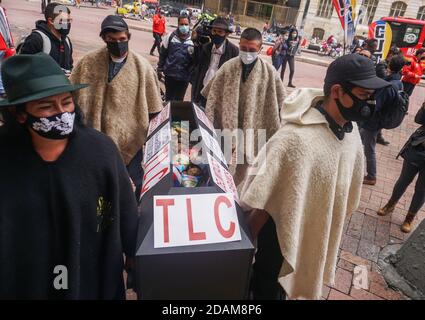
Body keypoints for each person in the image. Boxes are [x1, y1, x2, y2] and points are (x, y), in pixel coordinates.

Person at [239, 54, 390, 300]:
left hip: (314, 230)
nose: (370, 103)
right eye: (364, 95)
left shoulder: (351, 135)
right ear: (337, 92)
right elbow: (261, 197)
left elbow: (345, 196)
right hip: (279, 237)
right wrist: (242, 249)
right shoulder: (294, 138)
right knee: (268, 287)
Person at [0, 53, 138, 299]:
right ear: (20, 114)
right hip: (23, 282)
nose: (61, 113)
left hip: (90, 280)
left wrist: (137, 259)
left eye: (66, 102)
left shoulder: (100, 151)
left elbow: (127, 213)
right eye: (46, 106)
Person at [70, 15, 163, 165]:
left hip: (131, 144)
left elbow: (155, 110)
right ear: (104, 39)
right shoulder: (88, 63)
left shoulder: (143, 67)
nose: (117, 43)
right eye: (111, 40)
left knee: (129, 184)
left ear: (128, 37)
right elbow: (72, 98)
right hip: (92, 140)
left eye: (121, 39)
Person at [201, 28, 285, 188]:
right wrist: (209, 118)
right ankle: (215, 189)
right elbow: (211, 94)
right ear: (239, 45)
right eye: (243, 48)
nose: (247, 53)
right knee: (219, 160)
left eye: (252, 50)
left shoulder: (269, 72)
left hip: (255, 125)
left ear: (260, 49)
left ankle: (235, 193)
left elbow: (281, 101)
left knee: (246, 167)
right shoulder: (228, 67)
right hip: (227, 122)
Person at [378, 103, 425, 233]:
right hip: (417, 149)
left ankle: (409, 218)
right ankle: (390, 204)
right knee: (403, 180)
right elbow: (419, 120)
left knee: (421, 189)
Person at [360, 54, 405, 186]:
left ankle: (371, 176)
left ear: (390, 66)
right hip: (381, 120)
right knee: (361, 140)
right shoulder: (398, 82)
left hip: (374, 122)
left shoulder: (389, 85)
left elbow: (376, 105)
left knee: (369, 149)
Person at [191, 17, 239, 104]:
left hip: (219, 97)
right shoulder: (205, 47)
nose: (216, 34)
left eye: (220, 32)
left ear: (226, 34)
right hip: (202, 93)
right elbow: (196, 69)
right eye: (214, 31)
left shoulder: (234, 52)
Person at [20, 2, 73, 73]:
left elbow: (70, 65)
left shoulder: (66, 41)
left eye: (69, 20)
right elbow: (24, 68)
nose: (67, 23)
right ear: (51, 21)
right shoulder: (36, 39)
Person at [158, 15, 194, 101]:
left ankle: (176, 114)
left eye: (186, 24)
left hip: (184, 77)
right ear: (178, 24)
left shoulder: (193, 39)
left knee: (179, 100)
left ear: (189, 25)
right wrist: (160, 69)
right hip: (170, 74)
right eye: (181, 24)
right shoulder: (170, 36)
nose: (184, 26)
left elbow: (195, 59)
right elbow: (163, 54)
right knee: (169, 98)